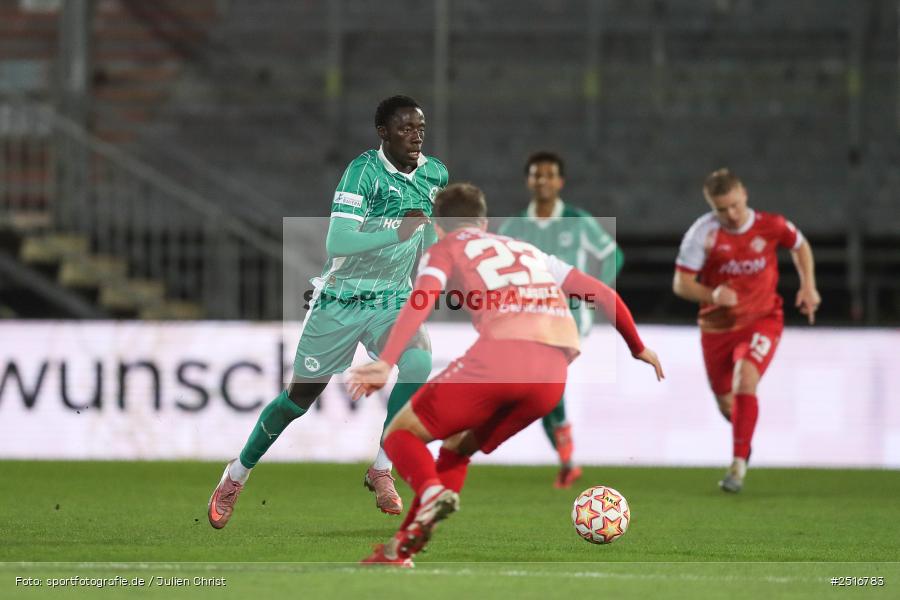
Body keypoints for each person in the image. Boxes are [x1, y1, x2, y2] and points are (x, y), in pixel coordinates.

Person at [347, 183, 663, 566]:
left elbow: (423, 298)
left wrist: (386, 359)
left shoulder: (444, 247)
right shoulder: (528, 251)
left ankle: (429, 491)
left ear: (440, 226)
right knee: (457, 448)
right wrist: (637, 346)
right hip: (551, 378)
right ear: (483, 221)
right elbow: (602, 293)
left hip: (502, 359)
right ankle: (402, 550)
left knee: (400, 434)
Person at [208, 95, 449, 527]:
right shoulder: (362, 173)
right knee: (299, 399)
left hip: (391, 298)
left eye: (420, 128)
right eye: (405, 128)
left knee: (418, 362)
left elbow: (427, 231)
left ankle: (381, 468)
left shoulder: (434, 173)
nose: (415, 136)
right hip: (340, 297)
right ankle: (236, 475)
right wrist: (398, 231)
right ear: (383, 133)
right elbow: (337, 242)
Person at [672, 168, 820, 493]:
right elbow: (681, 283)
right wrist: (712, 295)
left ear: (744, 194)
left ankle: (737, 467)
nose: (731, 215)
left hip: (762, 319)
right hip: (717, 327)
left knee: (746, 378)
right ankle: (744, 438)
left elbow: (800, 245)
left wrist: (808, 286)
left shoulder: (771, 225)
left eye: (735, 205)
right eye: (721, 209)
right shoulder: (703, 235)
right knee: (727, 403)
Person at [498, 151, 623, 488]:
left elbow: (613, 254)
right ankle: (566, 457)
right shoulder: (514, 227)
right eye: (537, 175)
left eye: (549, 175)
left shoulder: (578, 221)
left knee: (541, 376)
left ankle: (565, 444)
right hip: (526, 318)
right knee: (536, 393)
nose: (543, 181)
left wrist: (598, 291)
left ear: (560, 181)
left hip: (570, 315)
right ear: (529, 181)